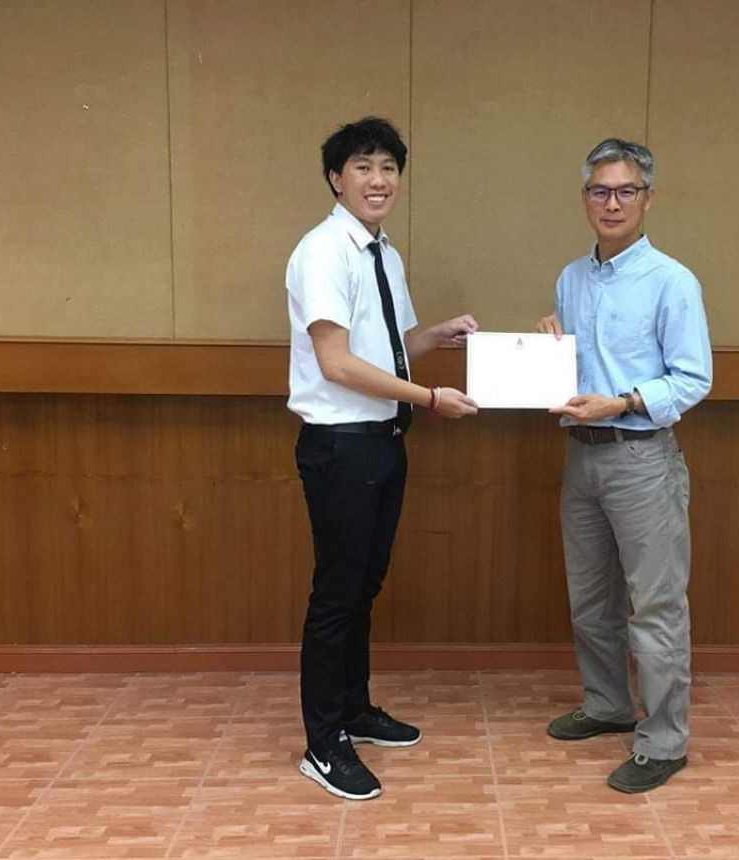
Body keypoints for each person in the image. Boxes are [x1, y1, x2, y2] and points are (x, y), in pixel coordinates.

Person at [286, 116, 478, 800]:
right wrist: (430, 398)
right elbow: (337, 363)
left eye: (389, 168)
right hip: (340, 445)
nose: (378, 180)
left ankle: (354, 709)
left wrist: (438, 336)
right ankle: (323, 743)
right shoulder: (323, 251)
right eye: (363, 167)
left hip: (383, 443)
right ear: (335, 178)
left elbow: (388, 351)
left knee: (363, 588)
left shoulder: (383, 253)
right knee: (336, 596)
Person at [536, 137, 712, 793]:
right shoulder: (571, 278)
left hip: (641, 459)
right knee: (590, 598)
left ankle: (664, 741)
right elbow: (579, 374)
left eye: (625, 191)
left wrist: (625, 401)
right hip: (581, 455)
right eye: (600, 191)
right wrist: (548, 354)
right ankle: (607, 703)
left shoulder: (672, 281)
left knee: (654, 604)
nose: (611, 203)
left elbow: (693, 379)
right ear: (585, 198)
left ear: (647, 199)